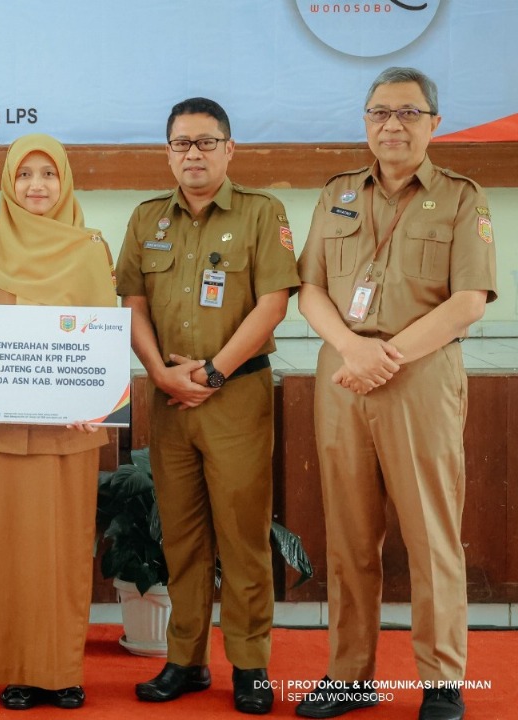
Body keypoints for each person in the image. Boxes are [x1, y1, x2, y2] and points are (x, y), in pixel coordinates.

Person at [294, 67, 495, 720]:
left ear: (435, 123)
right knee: (350, 538)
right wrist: (353, 350)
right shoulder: (338, 195)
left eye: (408, 113)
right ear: (365, 122)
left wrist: (387, 356)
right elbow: (312, 290)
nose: (393, 125)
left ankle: (441, 681)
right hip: (343, 376)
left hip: (421, 376)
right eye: (380, 113)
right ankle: (350, 676)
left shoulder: (464, 199)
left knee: (432, 535)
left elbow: (468, 303)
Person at [115, 97, 299, 715]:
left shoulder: (260, 213)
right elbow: (133, 306)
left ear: (229, 149)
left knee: (243, 538)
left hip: (237, 395)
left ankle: (249, 666)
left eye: (205, 142)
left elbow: (273, 303)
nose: (192, 153)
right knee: (183, 538)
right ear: (168, 151)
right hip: (169, 400)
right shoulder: (146, 220)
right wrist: (160, 374)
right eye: (181, 143)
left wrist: (214, 373)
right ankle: (185, 661)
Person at [0, 134, 117, 710]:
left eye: (48, 173)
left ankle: (61, 670)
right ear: (8, 182)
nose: (37, 185)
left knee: (64, 552)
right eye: (25, 175)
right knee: (5, 550)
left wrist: (96, 401)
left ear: (65, 180)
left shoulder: (91, 248)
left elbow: (103, 333)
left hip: (68, 433)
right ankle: (16, 670)